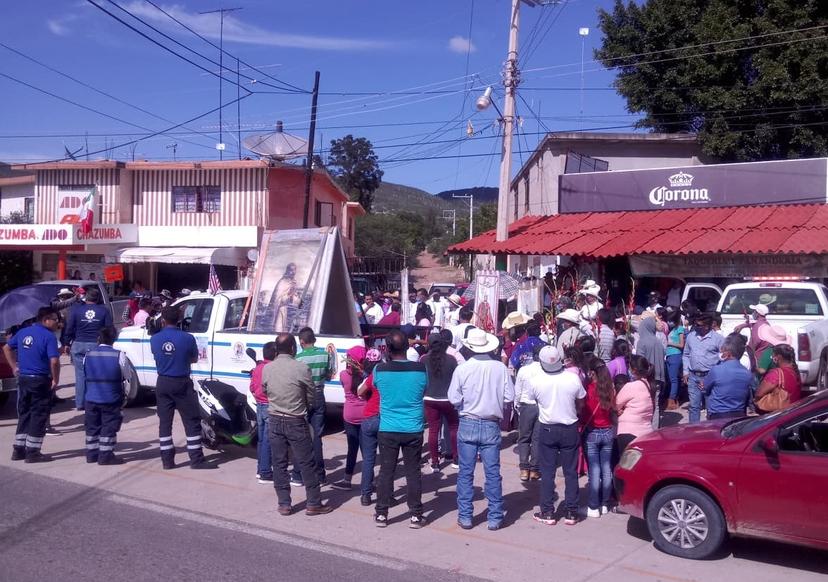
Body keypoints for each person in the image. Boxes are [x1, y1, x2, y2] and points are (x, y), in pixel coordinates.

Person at [448, 328, 514, 530]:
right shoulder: (500, 368)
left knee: (465, 473)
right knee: (492, 473)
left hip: (468, 421)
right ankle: (494, 517)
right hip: (490, 423)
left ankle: (466, 516)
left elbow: (454, 398)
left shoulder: (462, 369)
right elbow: (509, 397)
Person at [262, 333, 332, 516]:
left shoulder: (267, 368)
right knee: (307, 463)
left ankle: (284, 504)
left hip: (275, 419)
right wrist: (303, 407)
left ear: (276, 349)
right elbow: (311, 395)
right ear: (294, 348)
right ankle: (314, 503)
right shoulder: (301, 368)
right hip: (296, 419)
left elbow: (264, 389)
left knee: (279, 464)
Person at [372, 330, 428, 529]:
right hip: (413, 428)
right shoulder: (421, 369)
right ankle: (415, 515)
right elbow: (423, 390)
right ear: (408, 347)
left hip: (388, 427)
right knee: (413, 471)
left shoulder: (379, 370)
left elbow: (376, 388)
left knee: (387, 471)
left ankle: (381, 514)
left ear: (386, 348)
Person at [525, 345, 585, 526]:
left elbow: (533, 401)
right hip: (569, 427)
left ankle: (548, 511)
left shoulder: (535, 380)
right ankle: (571, 512)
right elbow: (581, 401)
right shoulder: (573, 378)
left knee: (548, 472)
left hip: (548, 428)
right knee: (571, 472)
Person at [150, 307, 213, 470]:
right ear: (179, 319)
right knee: (191, 421)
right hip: (182, 382)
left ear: (162, 320)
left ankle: (167, 461)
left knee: (164, 423)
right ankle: (196, 460)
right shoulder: (188, 338)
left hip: (163, 382)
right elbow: (193, 358)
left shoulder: (154, 339)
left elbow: (157, 357)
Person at [5, 307, 61, 463]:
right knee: (38, 415)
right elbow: (55, 361)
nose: (58, 323)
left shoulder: (23, 332)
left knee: (25, 413)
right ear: (45, 320)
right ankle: (33, 452)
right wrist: (55, 379)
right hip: (40, 380)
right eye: (55, 320)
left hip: (23, 379)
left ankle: (18, 449)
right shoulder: (48, 337)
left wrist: (14, 367)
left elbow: (6, 347)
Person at [292, 327, 331, 486]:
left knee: (300, 435)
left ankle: (298, 475)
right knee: (317, 436)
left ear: (302, 341)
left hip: (303, 397)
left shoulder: (298, 358)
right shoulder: (325, 355)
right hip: (319, 394)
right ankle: (320, 475)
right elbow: (328, 375)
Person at [82, 326, 127, 465]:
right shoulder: (119, 355)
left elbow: (85, 373)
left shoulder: (88, 354)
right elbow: (126, 376)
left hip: (91, 397)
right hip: (111, 398)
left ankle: (91, 455)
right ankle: (106, 455)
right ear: (114, 339)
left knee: (92, 426)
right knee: (109, 426)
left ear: (98, 338)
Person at [65, 287, 112, 411]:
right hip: (95, 345)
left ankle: (80, 403)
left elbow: (69, 328)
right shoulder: (103, 311)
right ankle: (94, 401)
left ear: (86, 298)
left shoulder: (76, 310)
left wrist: (66, 343)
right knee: (96, 374)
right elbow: (108, 329)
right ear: (97, 299)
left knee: (80, 375)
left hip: (78, 344)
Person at [581, 357, 616, 518]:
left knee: (594, 470)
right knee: (607, 468)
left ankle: (593, 505)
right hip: (608, 431)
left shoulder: (588, 389)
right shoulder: (610, 388)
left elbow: (582, 411)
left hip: (593, 431)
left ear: (592, 373)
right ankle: (605, 503)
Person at [332, 345, 369, 491]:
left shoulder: (343, 375)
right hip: (365, 414)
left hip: (349, 415)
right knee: (367, 451)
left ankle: (347, 480)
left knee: (352, 449)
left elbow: (345, 386)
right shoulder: (367, 376)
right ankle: (369, 482)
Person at [422, 334, 459, 473]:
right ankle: (456, 458)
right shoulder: (451, 360)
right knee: (454, 428)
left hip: (430, 398)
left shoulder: (423, 359)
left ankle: (435, 462)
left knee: (433, 430)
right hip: (448, 399)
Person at [682, 313, 724, 424]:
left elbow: (723, 358)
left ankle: (711, 431)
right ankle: (693, 431)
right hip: (693, 376)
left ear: (707, 326)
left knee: (711, 407)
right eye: (695, 324)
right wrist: (685, 371)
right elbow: (686, 354)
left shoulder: (718, 339)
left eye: (699, 325)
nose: (696, 327)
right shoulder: (691, 336)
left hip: (710, 377)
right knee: (694, 406)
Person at [356, 348, 383, 506]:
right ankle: (387, 493)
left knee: (368, 459)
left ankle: (366, 495)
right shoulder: (385, 374)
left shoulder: (372, 376)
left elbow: (360, 392)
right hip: (385, 418)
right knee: (387, 459)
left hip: (369, 417)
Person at [704, 336, 753, 420]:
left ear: (728, 353)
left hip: (717, 414)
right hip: (739, 414)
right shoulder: (747, 373)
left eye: (722, 351)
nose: (721, 353)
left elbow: (705, 388)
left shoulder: (716, 370)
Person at [615, 355, 654, 454]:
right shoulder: (650, 386)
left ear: (634, 370)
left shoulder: (631, 386)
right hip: (646, 431)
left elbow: (615, 405)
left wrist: (620, 410)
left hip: (629, 432)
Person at [250, 341, 276, 484]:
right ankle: (266, 472)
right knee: (268, 440)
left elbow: (252, 387)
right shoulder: (272, 368)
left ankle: (261, 469)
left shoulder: (258, 368)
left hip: (259, 405)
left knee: (261, 439)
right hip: (269, 405)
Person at [514, 356, 543, 482]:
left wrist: (517, 406)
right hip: (540, 406)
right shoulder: (544, 370)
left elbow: (518, 391)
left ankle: (524, 470)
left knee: (524, 438)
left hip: (526, 405)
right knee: (537, 439)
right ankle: (535, 470)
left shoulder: (523, 370)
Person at [635, 315, 665, 428]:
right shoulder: (658, 342)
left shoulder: (642, 342)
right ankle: (654, 430)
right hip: (658, 378)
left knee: (645, 404)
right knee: (655, 405)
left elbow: (639, 361)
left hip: (646, 378)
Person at [754, 344, 802, 413]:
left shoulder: (776, 373)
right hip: (792, 411)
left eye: (773, 356)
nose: (773, 358)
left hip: (777, 414)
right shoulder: (796, 372)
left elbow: (759, 393)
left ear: (778, 357)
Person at [664, 308, 685, 411]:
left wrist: (669, 343)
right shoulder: (672, 329)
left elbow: (681, 344)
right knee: (670, 379)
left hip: (675, 355)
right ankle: (672, 398)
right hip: (669, 355)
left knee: (673, 379)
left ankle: (672, 400)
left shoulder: (680, 328)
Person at [270, 263, 300, 332]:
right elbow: (278, 299)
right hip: (281, 311)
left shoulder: (293, 282)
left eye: (295, 270)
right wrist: (289, 295)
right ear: (287, 271)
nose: (293, 272)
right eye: (291, 270)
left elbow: (295, 299)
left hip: (290, 312)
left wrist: (298, 300)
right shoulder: (282, 282)